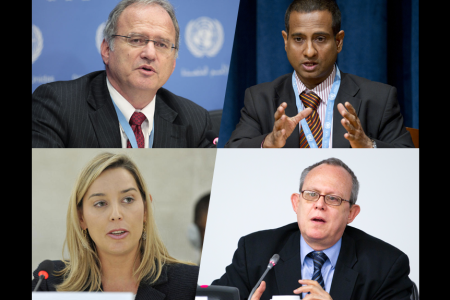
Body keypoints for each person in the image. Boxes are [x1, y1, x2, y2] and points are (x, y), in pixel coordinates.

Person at [211, 158, 413, 300]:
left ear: (351, 213)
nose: (319, 204)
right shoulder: (255, 252)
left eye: (333, 198)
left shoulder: (386, 265)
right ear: (296, 203)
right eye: (311, 195)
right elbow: (213, 297)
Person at [225, 0, 414, 148]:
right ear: (285, 41)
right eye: (298, 39)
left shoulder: (379, 98)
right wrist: (268, 143)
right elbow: (232, 154)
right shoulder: (260, 99)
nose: (309, 52)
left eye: (320, 39)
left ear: (339, 41)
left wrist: (367, 146)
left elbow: (408, 163)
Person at [32, 0, 213, 148]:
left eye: (162, 44)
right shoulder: (57, 106)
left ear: (173, 63)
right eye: (136, 40)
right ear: (106, 49)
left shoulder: (194, 121)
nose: (150, 54)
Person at [32, 153, 199, 298]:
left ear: (146, 209)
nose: (116, 215)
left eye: (128, 199)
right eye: (100, 203)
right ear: (81, 218)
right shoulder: (48, 282)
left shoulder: (191, 282)